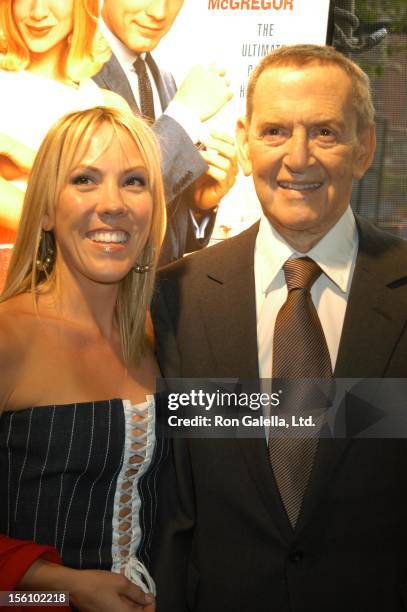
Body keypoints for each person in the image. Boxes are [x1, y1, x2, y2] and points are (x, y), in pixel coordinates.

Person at [151, 45, 407, 611]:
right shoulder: (177, 296)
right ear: (243, 143)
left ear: (364, 147)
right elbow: (172, 503)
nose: (298, 158)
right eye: (273, 131)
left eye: (324, 132)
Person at [0, 105, 167, 611]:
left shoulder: (165, 336)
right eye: (85, 179)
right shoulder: (9, 337)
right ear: (47, 210)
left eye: (134, 182)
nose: (112, 204)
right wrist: (60, 588)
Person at [0, 0, 131, 292]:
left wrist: (34, 162)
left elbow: (134, 221)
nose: (37, 12)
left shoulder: (108, 105)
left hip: (85, 299)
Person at [96, 0, 238, 264]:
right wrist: (185, 114)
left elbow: (169, 245)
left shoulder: (164, 79)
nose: (159, 13)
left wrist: (199, 206)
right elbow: (108, 203)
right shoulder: (69, 72)